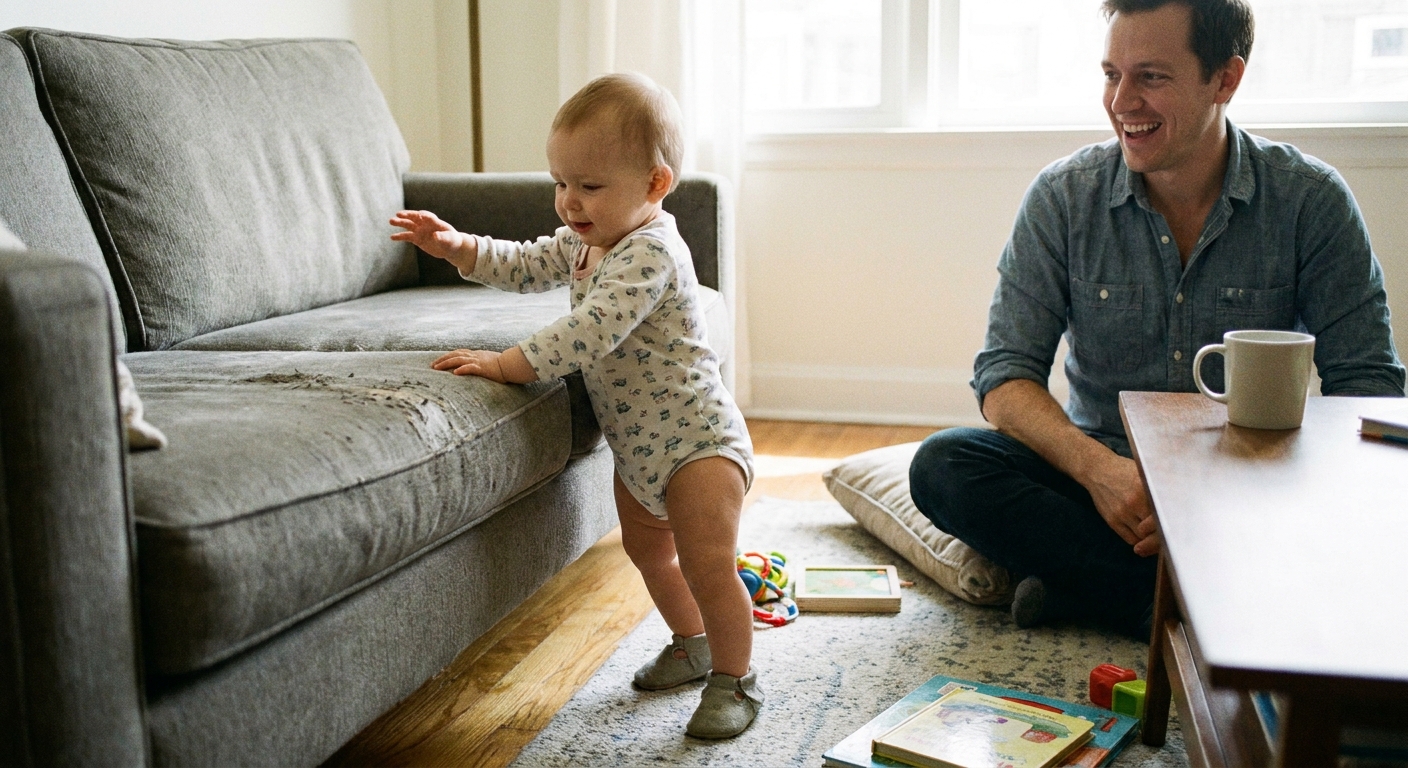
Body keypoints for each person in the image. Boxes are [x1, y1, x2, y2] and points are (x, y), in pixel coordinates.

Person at [909, 0, 1405, 640]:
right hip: (1103, 491)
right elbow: (1004, 379)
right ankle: (1179, 604)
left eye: (1151, 77)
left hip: (1248, 488)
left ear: (1225, 79)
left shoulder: (1311, 201)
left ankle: (1090, 587)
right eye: (1112, 74)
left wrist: (1296, 490)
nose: (1122, 102)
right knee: (944, 466)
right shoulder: (1062, 198)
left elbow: (1370, 387)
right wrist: (1101, 474)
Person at [389, 72, 762, 738]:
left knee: (708, 565)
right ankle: (693, 644)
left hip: (698, 442)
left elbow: (591, 332)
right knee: (651, 556)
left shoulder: (650, 252)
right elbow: (524, 263)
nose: (568, 202)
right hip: (638, 447)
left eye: (590, 187)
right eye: (560, 183)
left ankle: (737, 678)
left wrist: (508, 364)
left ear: (655, 185)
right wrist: (455, 247)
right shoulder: (587, 240)